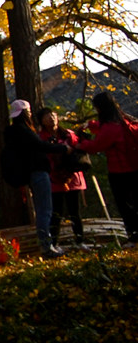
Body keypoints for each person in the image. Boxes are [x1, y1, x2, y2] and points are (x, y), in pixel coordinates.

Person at [1, 99, 71, 257]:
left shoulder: (12, 133)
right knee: (45, 211)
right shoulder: (23, 131)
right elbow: (41, 146)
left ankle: (47, 245)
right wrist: (63, 148)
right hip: (38, 172)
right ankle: (46, 246)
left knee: (43, 210)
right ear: (25, 113)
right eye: (29, 112)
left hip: (30, 174)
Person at [72, 90, 138, 245]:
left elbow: (97, 145)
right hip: (134, 168)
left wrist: (79, 144)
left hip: (120, 171)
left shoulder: (110, 128)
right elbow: (103, 130)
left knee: (125, 206)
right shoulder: (124, 121)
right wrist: (90, 125)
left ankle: (134, 235)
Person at [38, 106, 88, 248]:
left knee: (75, 212)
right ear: (41, 121)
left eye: (53, 115)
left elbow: (79, 148)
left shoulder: (68, 134)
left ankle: (80, 241)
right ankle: (53, 243)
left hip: (72, 178)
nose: (51, 118)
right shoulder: (41, 138)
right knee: (56, 212)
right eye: (47, 116)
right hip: (54, 179)